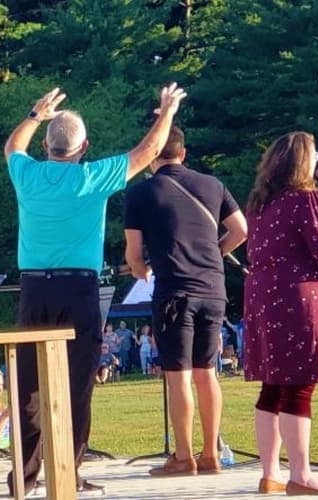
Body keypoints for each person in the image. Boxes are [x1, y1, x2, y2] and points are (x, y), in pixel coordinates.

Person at [4, 82, 187, 496]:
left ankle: (24, 480)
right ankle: (66, 475)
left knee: (29, 386)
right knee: (77, 383)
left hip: (33, 288)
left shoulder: (27, 175)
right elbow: (148, 151)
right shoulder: (92, 177)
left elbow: (13, 147)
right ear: (84, 146)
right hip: (79, 289)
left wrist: (35, 116)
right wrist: (167, 112)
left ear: (48, 145)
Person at [124, 125, 247, 476]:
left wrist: (140, 269)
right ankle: (210, 453)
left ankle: (183, 456)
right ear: (184, 152)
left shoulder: (141, 193)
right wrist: (216, 254)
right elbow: (241, 230)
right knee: (207, 372)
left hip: (174, 291)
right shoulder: (213, 185)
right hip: (213, 288)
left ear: (152, 156)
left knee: (178, 376)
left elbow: (134, 254)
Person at [244, 131, 318, 495]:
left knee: (272, 386)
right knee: (298, 388)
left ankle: (270, 473)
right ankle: (300, 475)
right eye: (314, 151)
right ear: (304, 160)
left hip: (263, 298)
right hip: (299, 301)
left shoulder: (259, 204)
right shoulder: (310, 202)